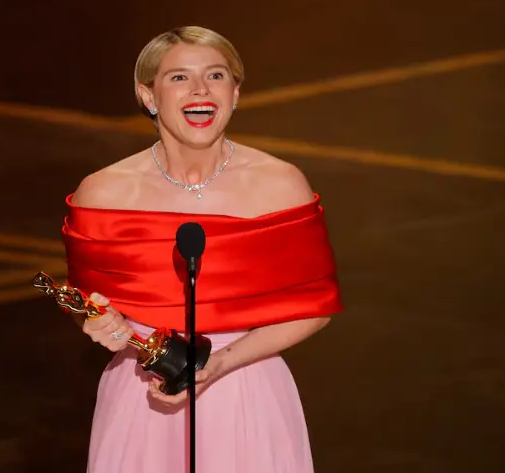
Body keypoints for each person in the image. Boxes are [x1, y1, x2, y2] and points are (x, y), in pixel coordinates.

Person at [60, 26, 343, 473]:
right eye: (178, 78)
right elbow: (86, 303)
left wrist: (221, 362)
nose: (199, 90)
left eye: (215, 76)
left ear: (235, 93)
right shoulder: (103, 192)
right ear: (147, 95)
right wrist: (104, 324)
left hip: (245, 387)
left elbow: (315, 306)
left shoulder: (280, 184)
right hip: (141, 393)